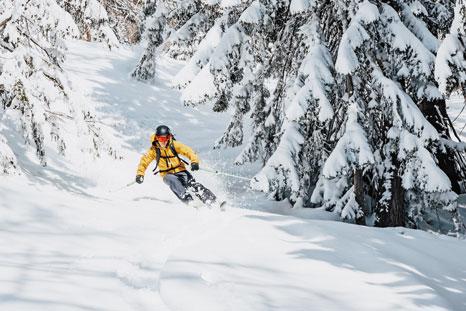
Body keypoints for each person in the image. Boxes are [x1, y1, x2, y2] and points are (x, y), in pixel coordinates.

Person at [135, 125, 217, 205]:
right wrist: (140, 174)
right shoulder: (153, 150)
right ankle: (188, 199)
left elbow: (189, 151)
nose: (163, 141)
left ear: (169, 137)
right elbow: (144, 162)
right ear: (156, 138)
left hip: (180, 170)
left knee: (192, 184)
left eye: (165, 138)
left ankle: (211, 200)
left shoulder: (174, 145)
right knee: (174, 181)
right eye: (160, 138)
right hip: (166, 174)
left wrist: (194, 162)